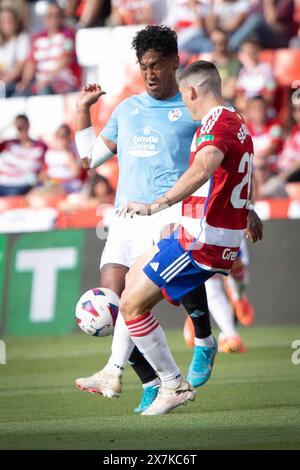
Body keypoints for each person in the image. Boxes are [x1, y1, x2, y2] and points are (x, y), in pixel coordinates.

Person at [76, 59, 263, 415]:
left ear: (190, 91)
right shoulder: (233, 121)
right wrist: (247, 209)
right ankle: (119, 372)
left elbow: (205, 165)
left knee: (131, 305)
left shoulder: (212, 125)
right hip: (201, 230)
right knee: (130, 286)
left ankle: (173, 382)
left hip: (199, 236)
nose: (183, 101)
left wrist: (157, 203)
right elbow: (232, 171)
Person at [16, 2, 81, 96]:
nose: (53, 19)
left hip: (64, 82)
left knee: (44, 90)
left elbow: (66, 59)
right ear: (45, 18)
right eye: (50, 16)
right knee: (18, 93)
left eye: (57, 15)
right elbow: (31, 62)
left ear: (62, 17)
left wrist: (47, 78)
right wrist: (25, 82)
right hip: (41, 82)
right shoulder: (37, 38)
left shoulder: (68, 35)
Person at [0, 114, 46, 196]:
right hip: (2, 183)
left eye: (23, 127)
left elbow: (45, 169)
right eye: (18, 127)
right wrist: (9, 126)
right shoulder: (8, 143)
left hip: (21, 186)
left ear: (28, 126)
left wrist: (36, 184)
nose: (20, 130)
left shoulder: (39, 146)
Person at [0, 6, 29, 97]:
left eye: (10, 20)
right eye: (4, 21)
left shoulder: (22, 38)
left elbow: (21, 65)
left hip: (15, 83)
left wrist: (4, 81)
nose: (8, 23)